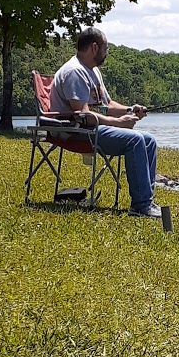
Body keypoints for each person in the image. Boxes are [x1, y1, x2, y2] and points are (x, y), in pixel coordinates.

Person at [48, 27, 161, 217]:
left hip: (94, 128)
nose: (106, 52)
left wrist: (129, 110)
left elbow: (106, 104)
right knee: (135, 140)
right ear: (94, 47)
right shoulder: (74, 72)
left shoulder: (93, 71)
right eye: (105, 48)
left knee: (149, 140)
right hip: (78, 132)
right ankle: (141, 207)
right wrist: (119, 123)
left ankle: (146, 201)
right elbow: (83, 115)